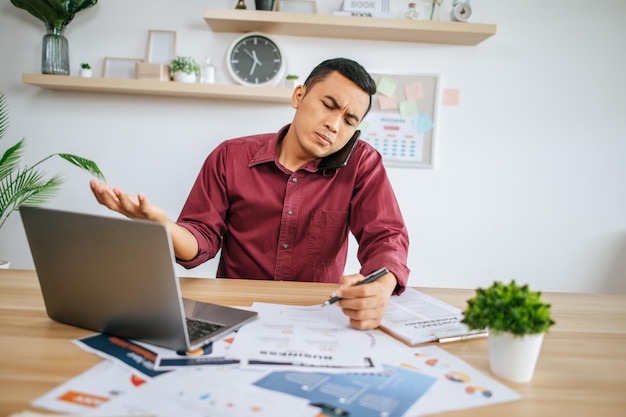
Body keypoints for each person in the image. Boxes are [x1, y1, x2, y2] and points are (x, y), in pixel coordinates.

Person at [90, 58, 410, 330]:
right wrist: (164, 226)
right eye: (328, 105)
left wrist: (380, 287)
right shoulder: (230, 156)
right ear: (299, 95)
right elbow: (201, 240)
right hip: (233, 313)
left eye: (349, 120)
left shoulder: (362, 164)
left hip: (316, 316)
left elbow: (386, 235)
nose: (334, 125)